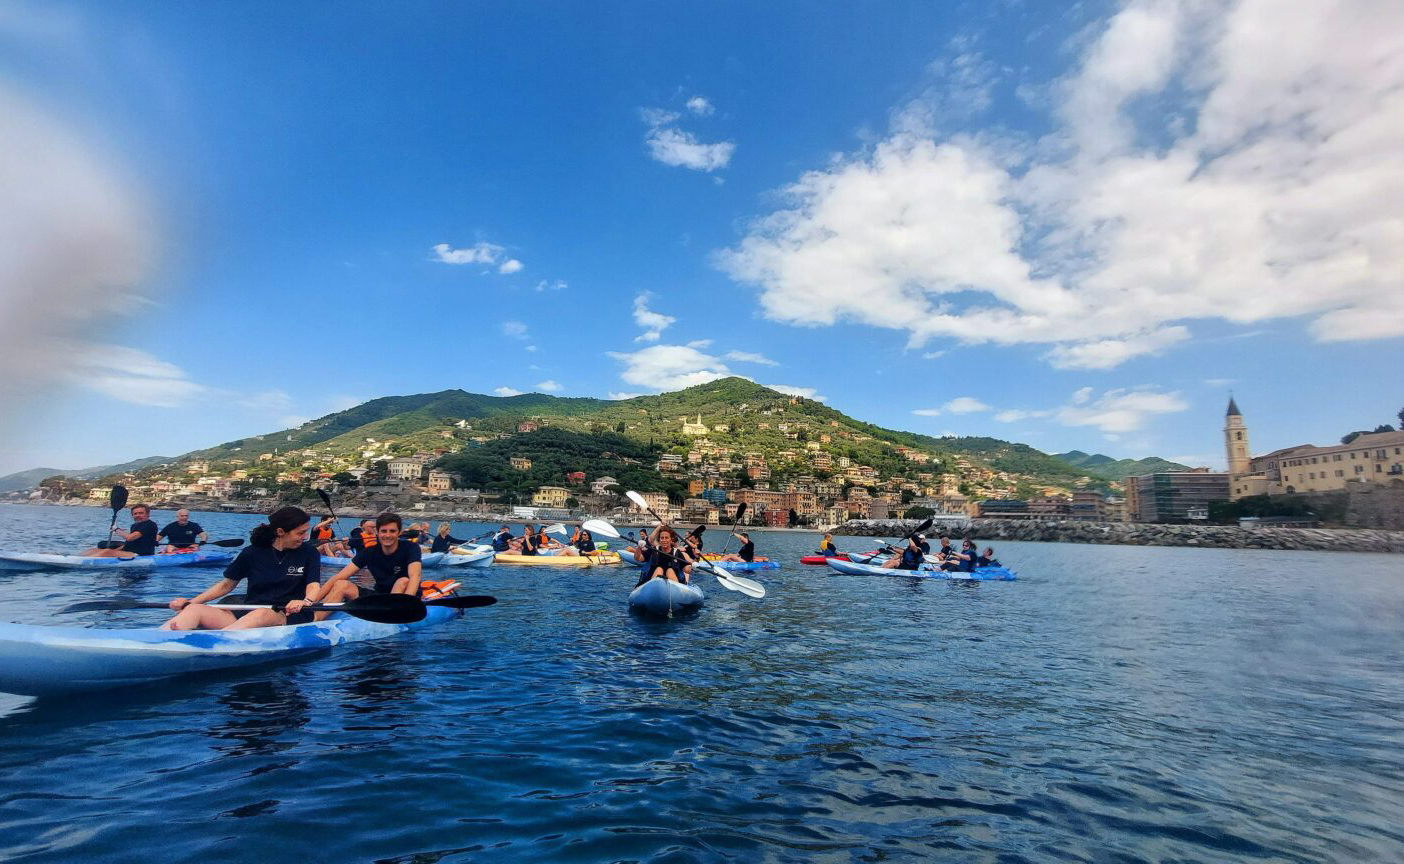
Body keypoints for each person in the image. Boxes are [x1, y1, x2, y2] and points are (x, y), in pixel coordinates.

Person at [162, 506, 353, 630]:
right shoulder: (252, 553)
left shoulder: (308, 553)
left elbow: (313, 585)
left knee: (261, 614)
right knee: (195, 610)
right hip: (248, 612)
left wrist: (305, 600)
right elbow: (225, 586)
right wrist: (190, 601)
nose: (304, 537)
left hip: (288, 614)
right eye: (300, 533)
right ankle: (156, 643)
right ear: (280, 532)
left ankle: (212, 644)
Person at [325, 512, 423, 598]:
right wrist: (311, 600)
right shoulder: (369, 551)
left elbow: (415, 575)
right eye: (384, 531)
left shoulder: (411, 547)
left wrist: (410, 603)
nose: (388, 535)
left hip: (405, 595)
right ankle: (315, 616)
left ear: (399, 532)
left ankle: (391, 613)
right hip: (379, 596)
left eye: (392, 531)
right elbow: (338, 576)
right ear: (378, 532)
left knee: (403, 581)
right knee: (341, 584)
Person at [82, 504, 159, 558]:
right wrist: (113, 551)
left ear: (148, 514)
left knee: (106, 552)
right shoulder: (134, 525)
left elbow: (130, 538)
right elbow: (128, 543)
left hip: (142, 554)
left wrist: (116, 529)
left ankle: (85, 562)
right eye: (135, 514)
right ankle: (75, 559)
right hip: (129, 551)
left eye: (141, 513)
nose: (137, 515)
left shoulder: (150, 525)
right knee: (94, 550)